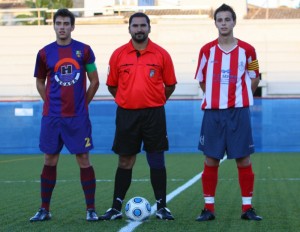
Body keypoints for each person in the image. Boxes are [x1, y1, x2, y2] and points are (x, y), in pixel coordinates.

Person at [98, 12, 177, 221]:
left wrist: (155, 100)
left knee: (156, 160)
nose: (139, 29)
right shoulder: (118, 55)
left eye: (143, 25)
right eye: (135, 26)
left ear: (149, 28)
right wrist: (127, 100)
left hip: (154, 114)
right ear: (129, 29)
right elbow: (112, 85)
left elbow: (170, 85)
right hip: (127, 115)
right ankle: (115, 207)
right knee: (125, 161)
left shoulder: (162, 54)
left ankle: (162, 207)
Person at [29, 8, 100, 222]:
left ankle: (91, 210)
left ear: (72, 26)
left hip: (77, 117)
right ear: (53, 25)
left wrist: (82, 104)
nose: (62, 27)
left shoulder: (85, 51)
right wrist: (50, 103)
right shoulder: (44, 53)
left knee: (83, 158)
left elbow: (95, 81)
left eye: (66, 23)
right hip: (52, 117)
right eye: (58, 23)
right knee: (50, 158)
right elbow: (40, 82)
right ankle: (44, 209)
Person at [194, 4, 262, 221]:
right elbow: (202, 80)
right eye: (219, 20)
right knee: (211, 160)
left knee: (243, 160)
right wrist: (216, 98)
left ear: (234, 22)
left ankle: (247, 208)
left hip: (238, 113)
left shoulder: (248, 50)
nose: (223, 23)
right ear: (215, 23)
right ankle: (208, 208)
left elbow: (255, 76)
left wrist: (243, 97)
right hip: (213, 114)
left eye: (227, 19)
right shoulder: (206, 50)